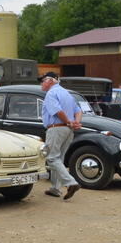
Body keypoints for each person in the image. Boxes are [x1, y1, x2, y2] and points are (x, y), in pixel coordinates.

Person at [39, 71, 82, 201]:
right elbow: (78, 110)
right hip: (68, 130)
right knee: (59, 159)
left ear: (51, 81)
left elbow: (57, 111)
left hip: (56, 128)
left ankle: (70, 183)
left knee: (52, 158)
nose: (41, 83)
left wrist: (69, 121)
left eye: (43, 80)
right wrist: (75, 123)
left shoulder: (51, 93)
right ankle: (55, 188)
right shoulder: (67, 93)